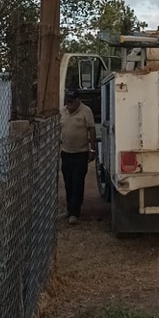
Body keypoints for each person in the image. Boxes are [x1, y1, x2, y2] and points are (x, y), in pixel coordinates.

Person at [60, 90, 96, 224]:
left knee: (77, 182)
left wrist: (92, 149)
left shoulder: (86, 111)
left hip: (81, 153)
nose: (69, 105)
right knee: (68, 182)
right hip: (66, 152)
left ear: (78, 100)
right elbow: (59, 128)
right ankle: (69, 209)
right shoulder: (62, 112)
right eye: (67, 102)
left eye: (71, 102)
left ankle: (75, 212)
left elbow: (91, 130)